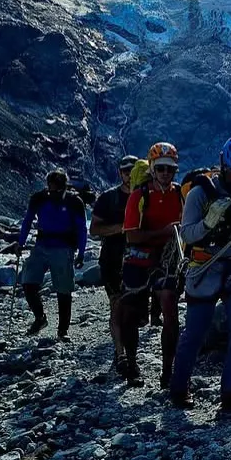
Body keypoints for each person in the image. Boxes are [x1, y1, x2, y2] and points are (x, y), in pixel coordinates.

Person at [170, 135, 231, 411]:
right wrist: (210, 222)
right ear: (223, 163)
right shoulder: (200, 193)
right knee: (196, 332)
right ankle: (178, 389)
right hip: (204, 267)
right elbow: (187, 233)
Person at [119, 143, 184, 387]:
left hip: (165, 260)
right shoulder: (140, 195)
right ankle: (132, 363)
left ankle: (167, 371)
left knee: (170, 310)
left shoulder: (179, 194)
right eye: (162, 169)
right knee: (132, 312)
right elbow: (131, 236)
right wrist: (165, 232)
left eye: (170, 169)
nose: (166, 173)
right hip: (139, 257)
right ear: (153, 169)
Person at [13, 169, 87, 339]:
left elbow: (82, 229)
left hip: (63, 247)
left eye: (58, 188)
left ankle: (62, 330)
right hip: (41, 245)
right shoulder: (39, 199)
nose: (54, 191)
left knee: (63, 289)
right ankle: (40, 318)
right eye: (51, 188)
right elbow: (28, 220)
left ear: (64, 186)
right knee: (28, 280)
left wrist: (81, 253)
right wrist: (20, 242)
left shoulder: (74, 202)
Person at [90, 155, 138, 371]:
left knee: (133, 311)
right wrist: (121, 227)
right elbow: (94, 229)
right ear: (120, 173)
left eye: (133, 170)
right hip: (112, 260)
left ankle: (126, 351)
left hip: (139, 261)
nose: (129, 174)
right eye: (126, 171)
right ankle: (121, 355)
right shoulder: (108, 198)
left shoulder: (145, 196)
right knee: (117, 306)